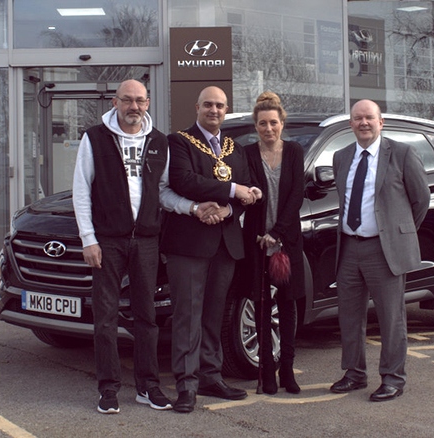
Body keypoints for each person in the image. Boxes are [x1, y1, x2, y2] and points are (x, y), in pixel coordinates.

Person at [72, 79, 216, 414]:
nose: (133, 107)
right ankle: (108, 388)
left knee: (146, 318)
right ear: (115, 101)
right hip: (107, 241)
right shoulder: (94, 138)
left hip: (147, 242)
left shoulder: (158, 142)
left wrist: (193, 208)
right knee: (106, 318)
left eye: (140, 101)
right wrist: (88, 239)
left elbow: (164, 192)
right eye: (127, 100)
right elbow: (81, 190)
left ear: (148, 103)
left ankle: (148, 386)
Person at [161, 86, 261, 413]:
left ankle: (210, 376)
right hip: (188, 244)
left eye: (219, 105)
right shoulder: (178, 142)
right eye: (208, 105)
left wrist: (229, 210)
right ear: (197, 107)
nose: (214, 110)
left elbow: (246, 198)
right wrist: (232, 189)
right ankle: (186, 385)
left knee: (213, 315)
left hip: (224, 243)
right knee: (187, 316)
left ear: (226, 109)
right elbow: (184, 181)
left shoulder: (236, 149)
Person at [330, 99, 430, 402]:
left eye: (369, 118)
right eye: (357, 118)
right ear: (351, 124)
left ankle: (393, 378)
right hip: (348, 247)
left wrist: (394, 233)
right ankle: (354, 373)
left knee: (391, 317)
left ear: (380, 121)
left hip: (383, 250)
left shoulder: (401, 153)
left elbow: (420, 199)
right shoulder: (341, 156)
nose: (363, 123)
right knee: (349, 315)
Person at [241, 91, 304, 394]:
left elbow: (295, 198)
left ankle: (288, 370)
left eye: (274, 123)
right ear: (256, 126)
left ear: (282, 123)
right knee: (262, 306)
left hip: (286, 242)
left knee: (287, 304)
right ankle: (267, 371)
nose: (269, 129)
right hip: (257, 242)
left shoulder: (293, 152)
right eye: (263, 124)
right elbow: (246, 195)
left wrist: (277, 233)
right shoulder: (248, 155)